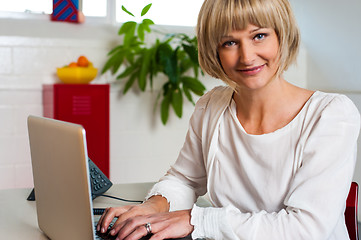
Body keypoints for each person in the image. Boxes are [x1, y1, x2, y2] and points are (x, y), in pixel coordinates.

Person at [97, 0, 361, 239]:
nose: (247, 56)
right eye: (230, 42)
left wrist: (196, 220)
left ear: (282, 36)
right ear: (215, 51)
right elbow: (184, 180)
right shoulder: (212, 106)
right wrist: (152, 207)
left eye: (259, 36)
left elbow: (305, 229)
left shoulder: (332, 114)